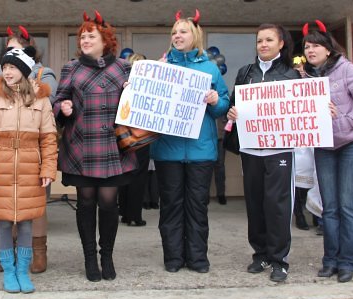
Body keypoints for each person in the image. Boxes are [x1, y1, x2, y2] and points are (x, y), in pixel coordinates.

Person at [53, 10, 138, 282]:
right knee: (86, 202)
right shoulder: (71, 68)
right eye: (82, 36)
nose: (85, 39)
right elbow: (58, 100)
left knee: (109, 203)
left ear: (106, 40)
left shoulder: (125, 68)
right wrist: (62, 108)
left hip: (113, 147)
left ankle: (107, 256)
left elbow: (139, 104)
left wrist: (133, 91)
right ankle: (90, 257)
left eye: (91, 35)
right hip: (81, 146)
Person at [150, 10, 229, 274]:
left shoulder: (210, 68)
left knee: (197, 207)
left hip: (200, 151)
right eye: (174, 32)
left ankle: (197, 258)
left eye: (183, 31)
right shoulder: (161, 67)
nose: (177, 36)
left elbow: (224, 105)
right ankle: (173, 258)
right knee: (171, 207)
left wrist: (216, 101)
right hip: (168, 151)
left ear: (194, 35)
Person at [0, 26, 58, 274]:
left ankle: (36, 253)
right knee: (4, 212)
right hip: (3, 161)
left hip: (32, 160)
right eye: (8, 52)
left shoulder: (44, 75)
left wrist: (34, 89)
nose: (10, 62)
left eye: (17, 52)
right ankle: (8, 258)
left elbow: (49, 133)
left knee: (33, 210)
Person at [302, 20, 353, 283]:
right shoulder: (307, 77)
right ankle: (330, 260)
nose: (310, 50)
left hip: (351, 145)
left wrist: (342, 120)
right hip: (324, 146)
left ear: (328, 48)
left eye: (315, 46)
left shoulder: (347, 70)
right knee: (329, 208)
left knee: (347, 207)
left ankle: (348, 262)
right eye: (307, 46)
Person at [227, 23, 300, 282]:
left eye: (269, 40)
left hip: (279, 150)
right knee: (255, 204)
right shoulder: (245, 73)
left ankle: (280, 260)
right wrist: (232, 112)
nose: (263, 45)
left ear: (281, 44)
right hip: (251, 149)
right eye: (259, 40)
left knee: (277, 206)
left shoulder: (292, 75)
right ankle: (261, 254)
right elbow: (234, 105)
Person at [118, 53, 149, 227]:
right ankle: (134, 216)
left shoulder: (123, 84)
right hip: (141, 134)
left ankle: (123, 211)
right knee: (138, 175)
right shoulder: (145, 87)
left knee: (125, 173)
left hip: (123, 134)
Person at [214, 117, 227, 205]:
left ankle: (221, 194)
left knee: (220, 165)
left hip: (221, 136)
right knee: (205, 165)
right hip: (206, 137)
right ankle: (204, 194)